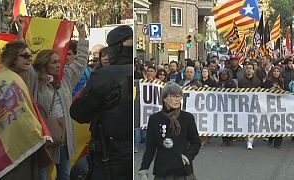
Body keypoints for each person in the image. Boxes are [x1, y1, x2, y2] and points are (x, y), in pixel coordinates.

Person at [17, 18, 88, 180]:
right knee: (41, 176)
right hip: (43, 141)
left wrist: (82, 35)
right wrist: (20, 32)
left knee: (64, 175)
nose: (59, 65)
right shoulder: (34, 81)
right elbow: (21, 59)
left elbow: (81, 61)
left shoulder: (66, 79)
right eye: (55, 62)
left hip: (63, 140)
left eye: (59, 61)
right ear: (44, 64)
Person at [0, 40, 52, 180]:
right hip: (9, 148)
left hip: (17, 145)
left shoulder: (15, 78)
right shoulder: (9, 80)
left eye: (30, 56)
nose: (29, 59)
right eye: (24, 56)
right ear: (12, 58)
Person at [70, 25, 133, 180]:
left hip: (111, 155)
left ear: (116, 48)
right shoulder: (138, 72)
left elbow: (79, 113)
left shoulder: (104, 76)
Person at [138, 82, 201, 180]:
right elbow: (150, 147)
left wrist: (187, 156)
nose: (177, 99)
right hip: (162, 170)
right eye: (173, 96)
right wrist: (144, 169)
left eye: (179, 96)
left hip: (183, 170)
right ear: (164, 98)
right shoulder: (154, 119)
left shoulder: (187, 118)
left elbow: (196, 142)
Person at [238, 63, 262, 150]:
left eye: (250, 68)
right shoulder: (241, 81)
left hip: (254, 105)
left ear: (253, 70)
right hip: (244, 105)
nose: (249, 70)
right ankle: (246, 137)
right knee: (245, 122)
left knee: (252, 123)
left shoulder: (257, 81)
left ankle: (250, 141)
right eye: (247, 68)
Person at [262, 66, 284, 149]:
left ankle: (278, 142)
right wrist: (270, 90)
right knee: (271, 122)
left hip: (280, 105)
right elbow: (263, 92)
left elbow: (286, 92)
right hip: (270, 104)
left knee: (280, 123)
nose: (276, 72)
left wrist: (280, 90)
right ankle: (271, 138)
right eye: (274, 71)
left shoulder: (282, 81)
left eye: (278, 71)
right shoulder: (268, 81)